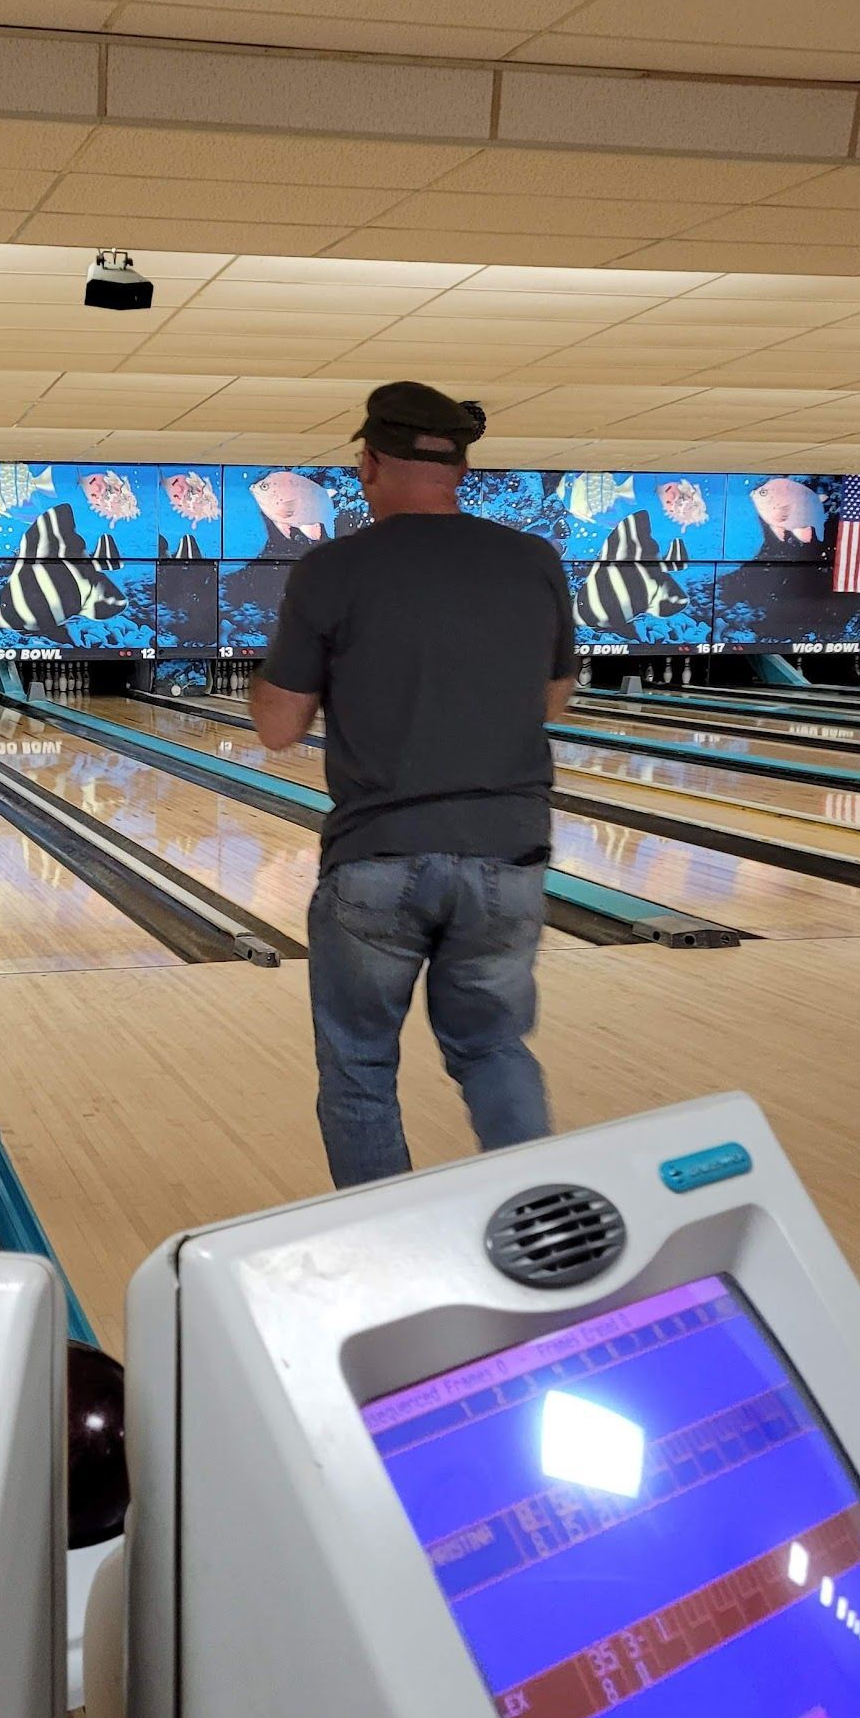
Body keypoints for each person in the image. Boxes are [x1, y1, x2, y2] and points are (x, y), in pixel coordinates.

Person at [252, 383, 576, 1188]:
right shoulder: (533, 560)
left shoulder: (332, 568)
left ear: (367, 462)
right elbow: (550, 698)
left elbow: (278, 727)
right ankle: (542, 1221)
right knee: (494, 1047)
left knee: (359, 1066)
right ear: (460, 467)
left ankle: (385, 1240)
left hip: (378, 855)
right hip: (508, 853)